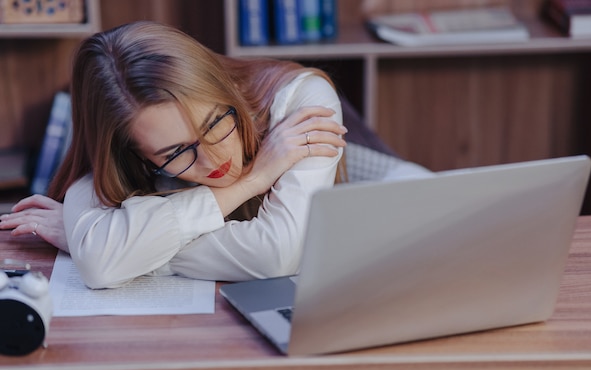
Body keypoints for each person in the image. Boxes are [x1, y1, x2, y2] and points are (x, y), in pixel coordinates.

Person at [0, 21, 347, 289]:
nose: (212, 159)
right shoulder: (124, 145)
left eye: (214, 124)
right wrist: (251, 182)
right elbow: (100, 262)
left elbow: (277, 255)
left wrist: (115, 246)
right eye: (178, 152)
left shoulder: (302, 104)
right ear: (138, 155)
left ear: (223, 88)